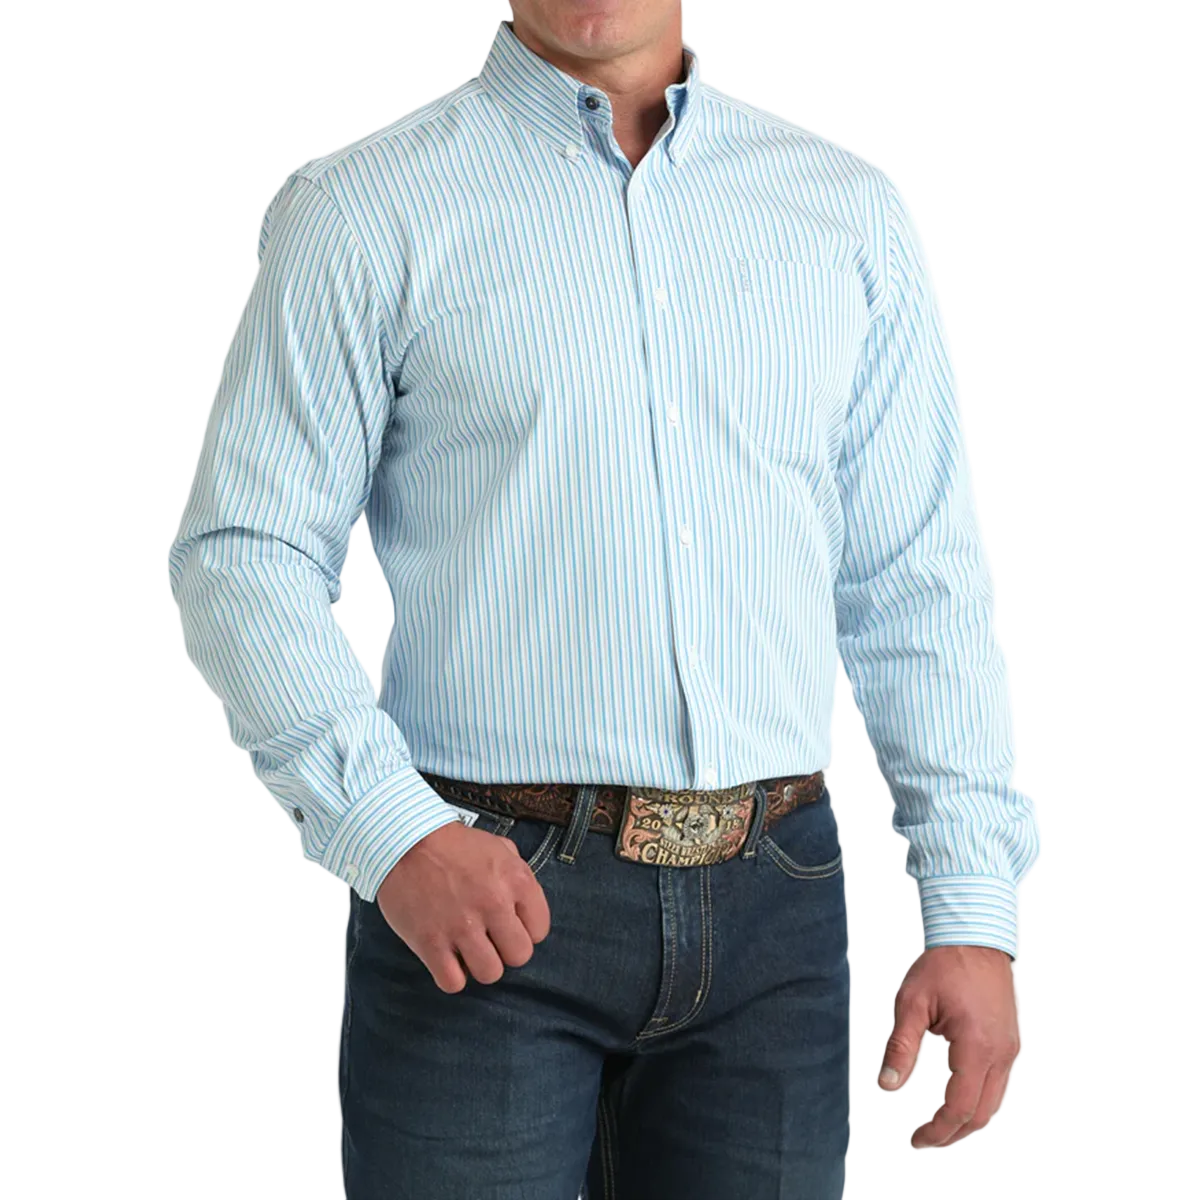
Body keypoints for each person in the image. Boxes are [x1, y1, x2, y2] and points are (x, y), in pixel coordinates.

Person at [165, 3, 1039, 1197]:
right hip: (479, 900)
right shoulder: (361, 207)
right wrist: (392, 829)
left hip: (781, 914)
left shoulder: (847, 211)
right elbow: (245, 551)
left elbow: (918, 578)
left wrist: (973, 909)